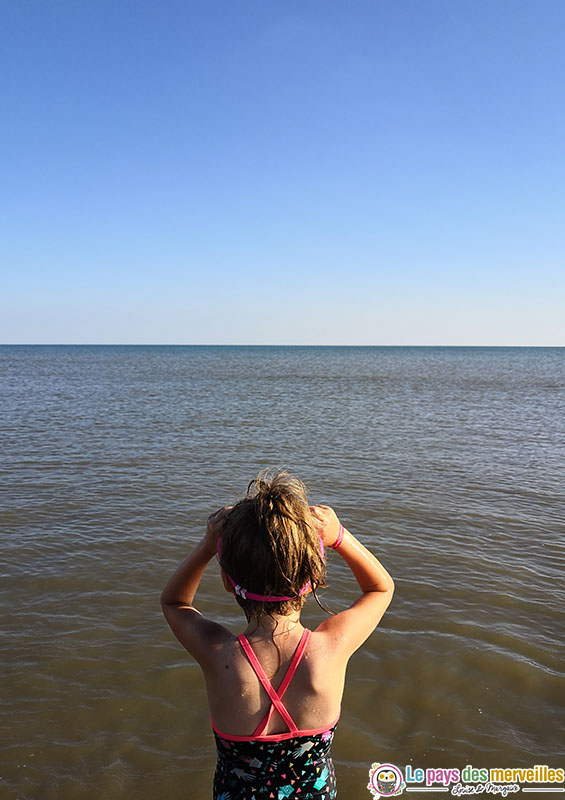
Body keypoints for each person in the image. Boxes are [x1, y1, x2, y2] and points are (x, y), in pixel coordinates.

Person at [160, 470, 395, 799]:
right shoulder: (330, 649)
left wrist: (206, 546)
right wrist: (339, 535)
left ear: (228, 583)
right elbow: (380, 589)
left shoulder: (219, 655)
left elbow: (174, 602)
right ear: (314, 577)